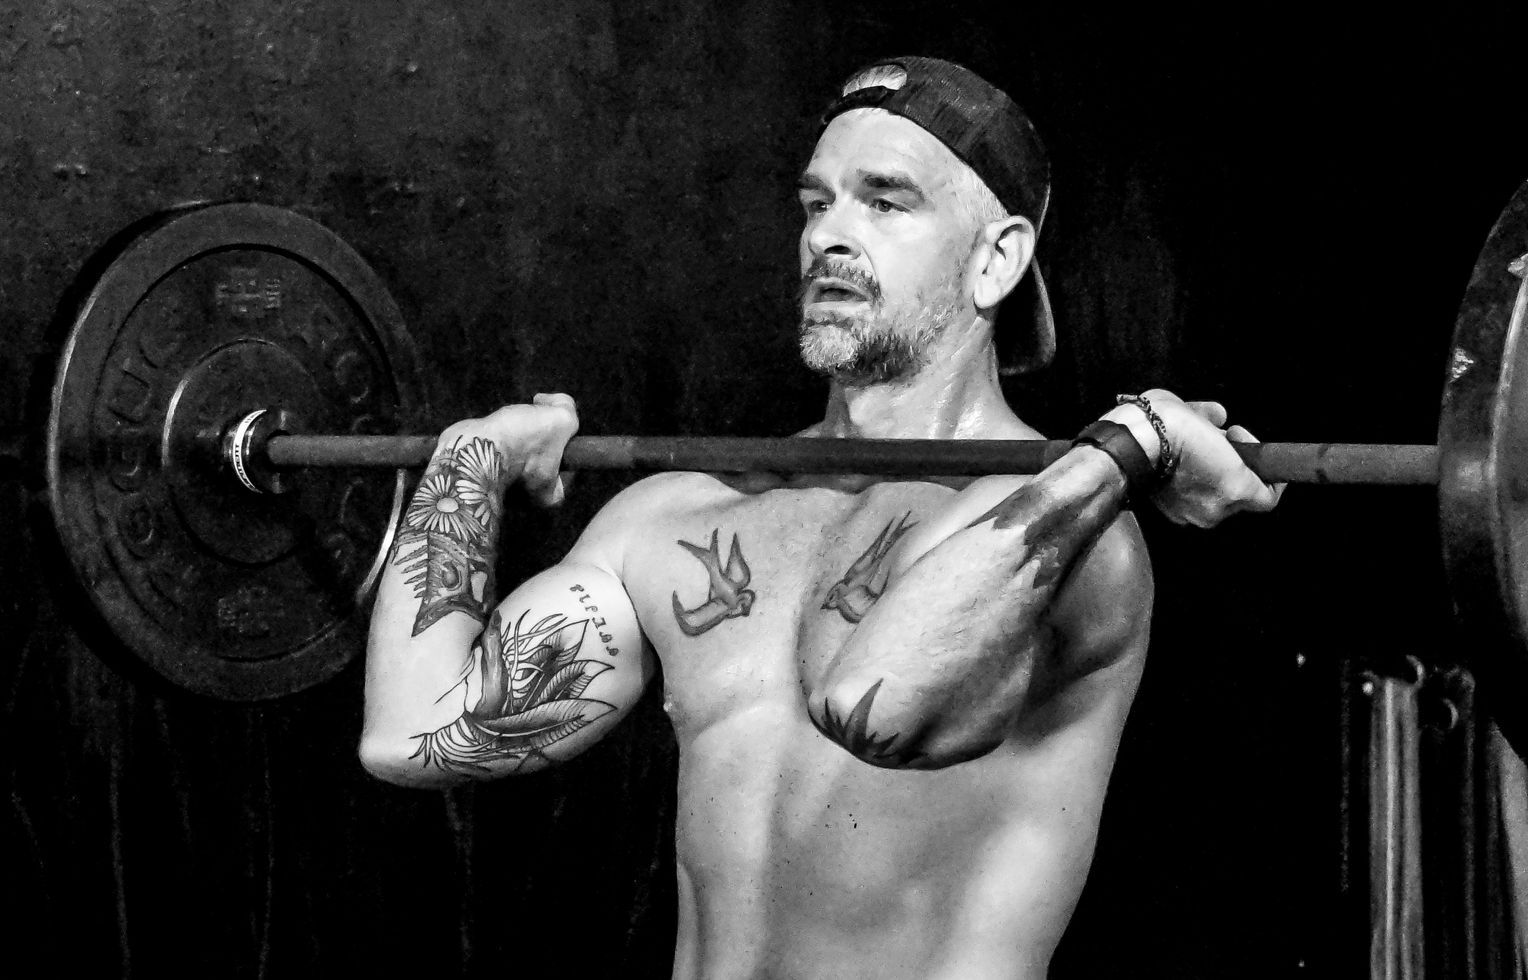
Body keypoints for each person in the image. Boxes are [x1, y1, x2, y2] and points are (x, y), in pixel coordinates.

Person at [359, 56, 1283, 979]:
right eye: (817, 204)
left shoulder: (1063, 525)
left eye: (885, 202)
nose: (830, 236)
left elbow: (876, 707)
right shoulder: (685, 517)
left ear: (996, 258)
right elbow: (415, 733)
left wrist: (1127, 446)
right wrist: (470, 460)